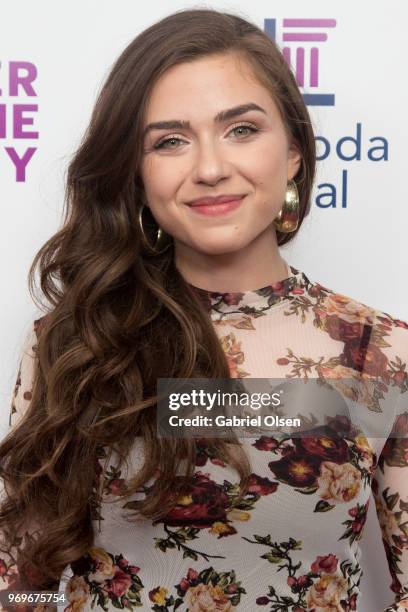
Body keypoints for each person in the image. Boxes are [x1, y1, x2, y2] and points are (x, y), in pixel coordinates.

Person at [1, 7, 407, 612]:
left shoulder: (380, 351)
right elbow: (21, 580)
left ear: (293, 150)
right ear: (136, 173)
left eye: (241, 129)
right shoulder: (76, 339)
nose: (211, 168)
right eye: (169, 141)